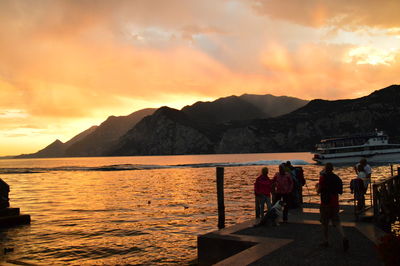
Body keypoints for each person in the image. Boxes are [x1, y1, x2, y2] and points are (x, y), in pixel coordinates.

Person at [316, 163, 349, 251]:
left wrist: (317, 187)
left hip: (325, 203)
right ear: (332, 169)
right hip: (335, 202)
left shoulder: (323, 177)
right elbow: (340, 191)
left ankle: (326, 241)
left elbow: (318, 191)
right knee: (337, 221)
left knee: (325, 222)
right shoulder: (337, 178)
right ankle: (344, 236)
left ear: (325, 169)